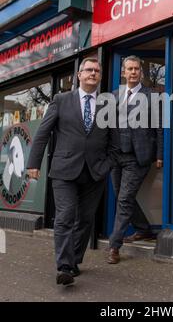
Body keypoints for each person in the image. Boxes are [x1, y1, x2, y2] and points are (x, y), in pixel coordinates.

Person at [27, 58, 115, 285]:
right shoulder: (61, 100)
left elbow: (115, 140)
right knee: (65, 216)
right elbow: (43, 133)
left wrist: (107, 165)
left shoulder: (108, 104)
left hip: (95, 172)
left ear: (100, 76)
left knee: (85, 220)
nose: (93, 73)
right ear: (79, 75)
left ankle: (73, 261)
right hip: (64, 170)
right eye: (88, 70)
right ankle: (64, 266)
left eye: (97, 70)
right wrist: (33, 164)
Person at [108, 55, 163, 264]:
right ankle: (143, 229)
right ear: (123, 72)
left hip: (137, 156)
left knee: (123, 199)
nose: (133, 72)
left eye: (136, 69)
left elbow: (159, 128)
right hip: (116, 156)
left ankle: (114, 246)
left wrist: (159, 154)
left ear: (141, 72)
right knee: (122, 196)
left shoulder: (152, 96)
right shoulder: (114, 96)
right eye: (129, 69)